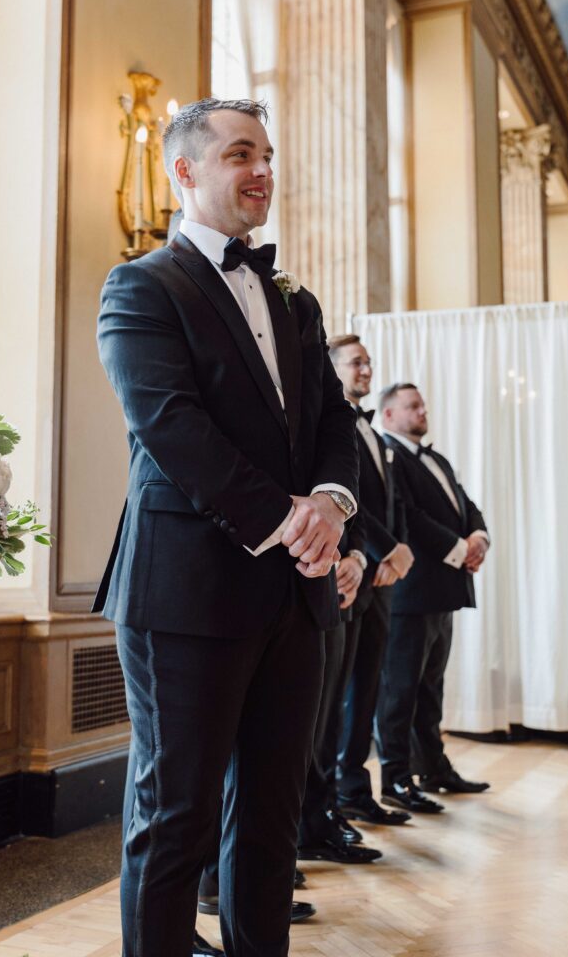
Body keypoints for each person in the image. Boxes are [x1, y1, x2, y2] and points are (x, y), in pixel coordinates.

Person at [95, 97, 358, 957]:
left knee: (272, 821)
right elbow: (171, 427)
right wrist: (290, 522)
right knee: (176, 819)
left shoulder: (294, 298)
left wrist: (332, 507)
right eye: (241, 154)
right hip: (186, 589)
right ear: (183, 170)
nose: (263, 172)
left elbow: (331, 423)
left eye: (269, 156)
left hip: (295, 596)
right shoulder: (139, 285)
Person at [376, 383, 491, 815]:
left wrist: (479, 536)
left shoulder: (436, 458)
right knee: (399, 691)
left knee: (430, 688)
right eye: (412, 405)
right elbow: (411, 517)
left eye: (422, 404)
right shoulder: (391, 457)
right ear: (388, 416)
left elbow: (466, 503)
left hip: (444, 590)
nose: (422, 410)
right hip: (411, 591)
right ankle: (395, 778)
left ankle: (434, 768)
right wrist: (462, 551)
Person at [325, 336, 414, 827]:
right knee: (337, 695)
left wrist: (396, 553)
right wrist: (384, 548)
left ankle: (355, 788)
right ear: (332, 368)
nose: (365, 369)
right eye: (356, 362)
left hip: (378, 573)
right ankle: (331, 798)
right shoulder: (332, 424)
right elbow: (349, 498)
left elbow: (388, 504)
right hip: (351, 570)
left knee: (366, 690)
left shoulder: (375, 435)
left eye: (368, 362)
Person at [296, 506, 384, 865]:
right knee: (300, 728)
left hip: (339, 590)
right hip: (296, 579)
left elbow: (355, 508)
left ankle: (316, 823)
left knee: (327, 720)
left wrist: (357, 557)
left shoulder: (347, 452)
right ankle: (297, 833)